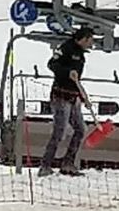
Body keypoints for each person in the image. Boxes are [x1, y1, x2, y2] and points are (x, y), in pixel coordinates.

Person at [38, 25, 95, 176]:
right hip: (60, 96)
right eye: (90, 40)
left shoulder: (81, 54)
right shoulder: (66, 48)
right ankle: (45, 165)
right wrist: (67, 72)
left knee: (80, 129)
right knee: (59, 131)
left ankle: (68, 163)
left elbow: (76, 80)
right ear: (83, 39)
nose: (91, 43)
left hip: (73, 96)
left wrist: (83, 97)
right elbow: (52, 64)